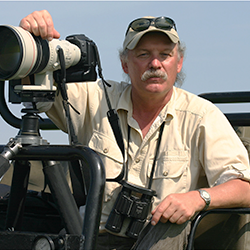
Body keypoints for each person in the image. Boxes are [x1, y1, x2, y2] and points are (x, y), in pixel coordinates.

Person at [19, 10, 250, 250]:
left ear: (179, 62)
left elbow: (244, 187)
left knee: (171, 223)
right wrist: (32, 37)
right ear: (125, 63)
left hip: (159, 238)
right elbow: (35, 84)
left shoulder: (202, 116)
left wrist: (196, 198)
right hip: (92, 237)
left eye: (165, 55)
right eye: (143, 54)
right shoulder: (97, 98)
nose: (155, 63)